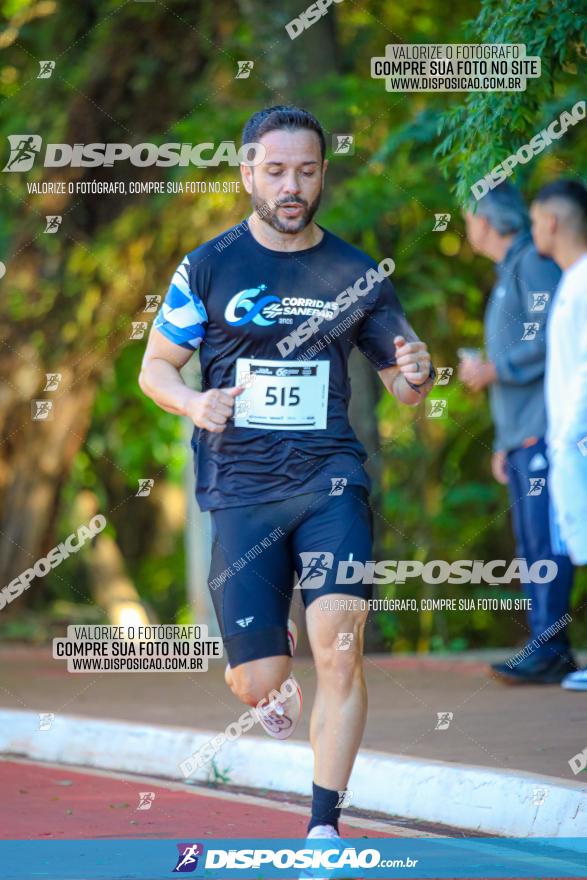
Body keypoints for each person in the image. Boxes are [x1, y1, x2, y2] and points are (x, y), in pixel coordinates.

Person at [139, 106, 434, 858]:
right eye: (274, 170)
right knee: (255, 677)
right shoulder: (208, 265)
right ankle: (271, 688)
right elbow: (155, 368)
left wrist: (417, 372)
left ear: (323, 173)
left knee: (338, 646)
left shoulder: (352, 272)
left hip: (330, 476)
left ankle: (323, 823)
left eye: (305, 170)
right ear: (246, 173)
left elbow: (403, 383)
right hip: (240, 487)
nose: (291, 185)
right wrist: (194, 401)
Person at [461, 183, 576, 684]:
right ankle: (547, 644)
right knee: (531, 543)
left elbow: (552, 337)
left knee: (545, 542)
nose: (467, 229)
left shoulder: (531, 263)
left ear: (485, 222)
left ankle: (550, 645)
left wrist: (495, 368)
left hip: (544, 431)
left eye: (469, 218)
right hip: (523, 435)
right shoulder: (509, 270)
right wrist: (505, 442)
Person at [530, 179, 587, 692]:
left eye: (533, 221)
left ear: (551, 221)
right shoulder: (571, 281)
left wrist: (569, 433)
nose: (532, 232)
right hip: (569, 443)